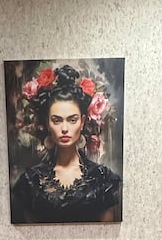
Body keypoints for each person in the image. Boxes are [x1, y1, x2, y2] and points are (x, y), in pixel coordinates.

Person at [10, 64, 121, 223]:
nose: (64, 129)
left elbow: (108, 233)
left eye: (72, 120)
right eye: (57, 120)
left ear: (82, 122)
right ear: (47, 123)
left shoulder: (103, 179)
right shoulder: (31, 181)